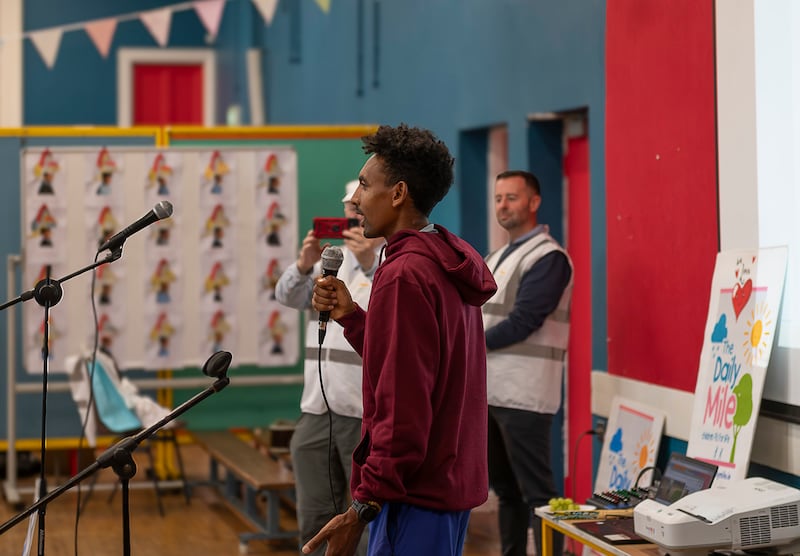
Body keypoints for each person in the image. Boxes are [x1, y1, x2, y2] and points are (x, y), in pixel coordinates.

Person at [305, 124, 497, 556]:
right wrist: (355, 319)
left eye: (364, 185)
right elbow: (418, 362)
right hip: (445, 484)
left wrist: (363, 505)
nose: (355, 199)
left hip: (414, 493)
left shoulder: (404, 274)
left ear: (398, 194)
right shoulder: (442, 258)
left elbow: (404, 404)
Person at [275, 180, 384, 556]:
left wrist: (370, 264)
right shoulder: (333, 261)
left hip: (360, 408)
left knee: (362, 514)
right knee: (315, 512)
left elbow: (386, 320)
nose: (353, 215)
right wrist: (304, 264)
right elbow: (287, 296)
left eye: (359, 207)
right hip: (318, 405)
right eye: (348, 208)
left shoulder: (390, 259)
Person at [482, 170, 574, 556]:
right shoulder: (497, 256)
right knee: (505, 491)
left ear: (534, 202)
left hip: (525, 394)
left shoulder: (549, 258)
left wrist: (464, 344)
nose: (503, 205)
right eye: (499, 198)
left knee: (537, 492)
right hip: (491, 391)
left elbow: (524, 321)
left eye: (512, 198)